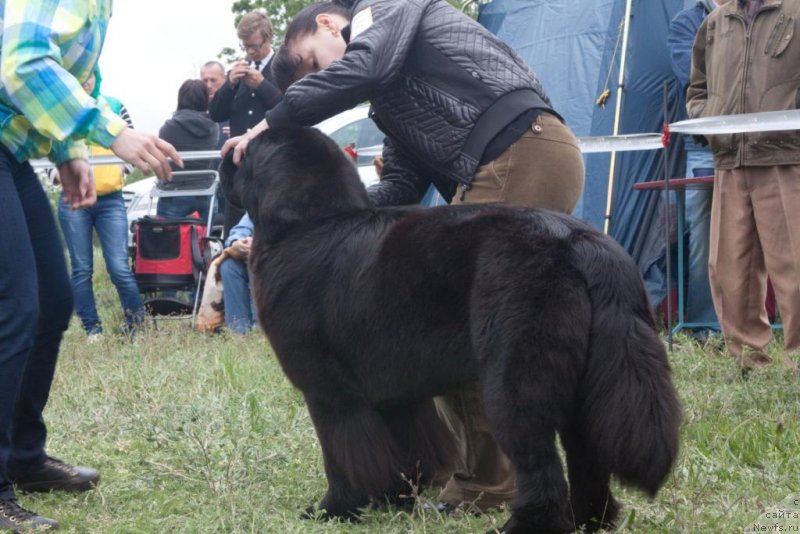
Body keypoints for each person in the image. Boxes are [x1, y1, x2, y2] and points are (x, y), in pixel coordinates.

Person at [225, 0, 585, 514]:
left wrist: (272, 121)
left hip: (519, 153)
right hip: (513, 157)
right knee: (444, 329)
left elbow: (363, 66)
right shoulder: (393, 92)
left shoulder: (386, 10)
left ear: (328, 23)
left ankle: (484, 488)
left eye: (314, 63)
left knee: (453, 331)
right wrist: (321, 216)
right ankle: (430, 473)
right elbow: (399, 185)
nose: (324, 78)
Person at [0, 1, 181, 529]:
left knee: (54, 302)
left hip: (11, 151)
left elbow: (72, 74)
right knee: (14, 305)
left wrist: (68, 151)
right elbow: (22, 64)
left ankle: (24, 458)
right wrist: (110, 131)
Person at [687, 0, 800, 373]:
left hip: (785, 159)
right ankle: (751, 364)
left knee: (795, 267)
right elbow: (697, 88)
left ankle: (798, 360)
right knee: (728, 270)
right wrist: (708, 120)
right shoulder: (715, 23)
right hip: (730, 162)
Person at [58, 68, 146, 340]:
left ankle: (136, 326)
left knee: (119, 266)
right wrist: (59, 176)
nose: (86, 82)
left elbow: (130, 141)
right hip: (74, 199)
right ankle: (92, 330)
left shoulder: (115, 106)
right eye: (80, 77)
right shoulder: (60, 107)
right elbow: (48, 146)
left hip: (110, 199)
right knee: (82, 268)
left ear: (96, 76)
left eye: (89, 76)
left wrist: (123, 171)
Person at [667, 0, 721, 338]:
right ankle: (704, 327)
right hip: (704, 150)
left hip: (760, 147)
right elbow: (690, 78)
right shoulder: (686, 23)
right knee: (704, 242)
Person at [209, 11, 281, 234]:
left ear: (268, 38)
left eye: (255, 46)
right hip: (240, 168)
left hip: (273, 164)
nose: (250, 51)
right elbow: (216, 114)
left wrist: (262, 85)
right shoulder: (235, 74)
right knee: (235, 229)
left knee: (270, 229)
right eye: (246, 46)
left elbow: (290, 107)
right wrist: (229, 84)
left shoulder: (283, 67)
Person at [157, 79, 220, 221]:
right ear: (205, 99)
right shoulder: (214, 127)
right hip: (206, 191)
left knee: (169, 240)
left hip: (174, 192)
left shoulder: (168, 127)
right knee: (204, 240)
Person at [220, 214, 257, 334]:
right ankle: (238, 331)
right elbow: (240, 229)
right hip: (259, 251)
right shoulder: (263, 199)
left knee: (259, 262)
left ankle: (262, 331)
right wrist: (237, 242)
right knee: (229, 266)